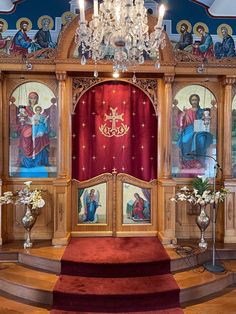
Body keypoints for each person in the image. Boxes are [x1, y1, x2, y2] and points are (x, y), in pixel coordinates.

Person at [177, 94, 213, 167]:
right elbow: (180, 122)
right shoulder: (187, 111)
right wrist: (183, 116)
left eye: (195, 100)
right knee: (184, 140)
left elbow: (207, 122)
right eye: (193, 100)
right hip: (189, 129)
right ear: (190, 101)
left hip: (200, 130)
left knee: (201, 140)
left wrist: (205, 119)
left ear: (198, 101)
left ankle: (200, 161)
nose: (194, 102)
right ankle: (188, 162)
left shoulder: (202, 111)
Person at [18, 91, 50, 168]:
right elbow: (23, 119)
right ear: (29, 99)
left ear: (37, 99)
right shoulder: (25, 108)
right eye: (31, 98)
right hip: (28, 125)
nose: (33, 100)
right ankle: (27, 161)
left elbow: (44, 117)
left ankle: (39, 161)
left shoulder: (40, 108)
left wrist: (41, 120)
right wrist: (29, 121)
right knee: (26, 135)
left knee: (40, 135)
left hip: (38, 126)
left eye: (34, 98)